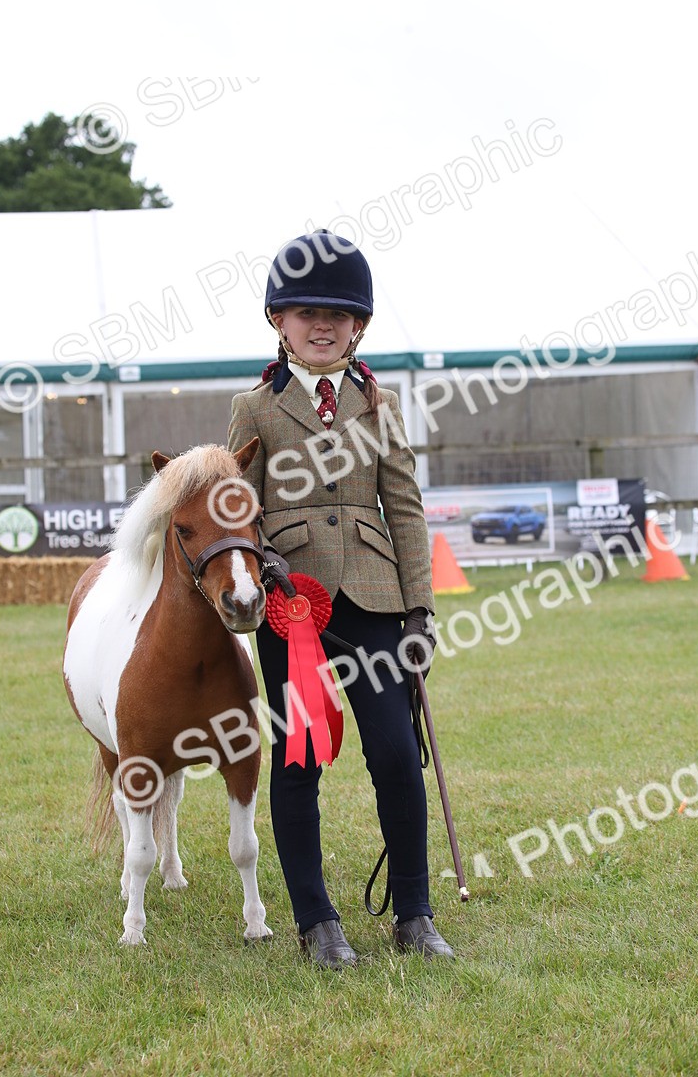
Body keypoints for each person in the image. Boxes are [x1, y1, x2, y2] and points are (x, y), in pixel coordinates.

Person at [228, 229, 454, 968]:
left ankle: (415, 914)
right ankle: (316, 919)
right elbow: (240, 507)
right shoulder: (253, 408)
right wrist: (264, 569)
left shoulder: (379, 408)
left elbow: (407, 507)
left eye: (337, 314)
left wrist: (419, 608)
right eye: (304, 312)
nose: (321, 325)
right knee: (298, 761)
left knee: (395, 751)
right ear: (278, 322)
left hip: (374, 599)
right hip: (291, 603)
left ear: (358, 325)